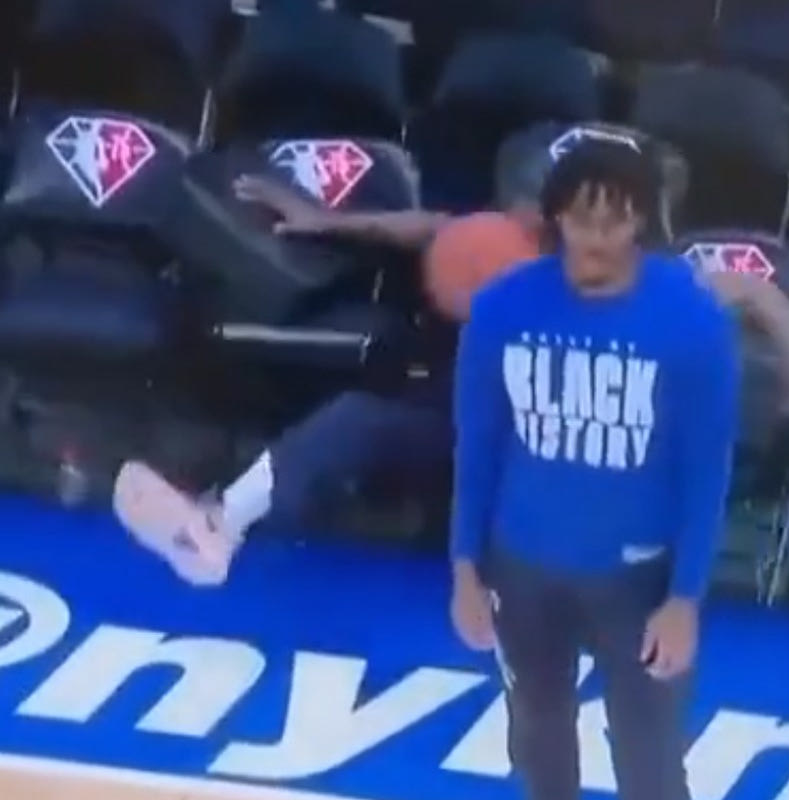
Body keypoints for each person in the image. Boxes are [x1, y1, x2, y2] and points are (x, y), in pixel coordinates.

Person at [447, 137, 740, 800]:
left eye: (617, 220)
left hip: (639, 580)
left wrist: (685, 599)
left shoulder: (692, 321)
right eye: (584, 219)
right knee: (538, 740)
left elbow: (706, 472)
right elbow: (478, 446)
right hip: (523, 570)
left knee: (650, 759)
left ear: (643, 221)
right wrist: (465, 568)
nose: (599, 238)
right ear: (557, 217)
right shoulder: (501, 310)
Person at [112, 177, 540, 586]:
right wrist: (325, 220)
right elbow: (436, 227)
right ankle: (220, 527)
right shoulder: (501, 238)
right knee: (354, 418)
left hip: (528, 434)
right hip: (460, 405)